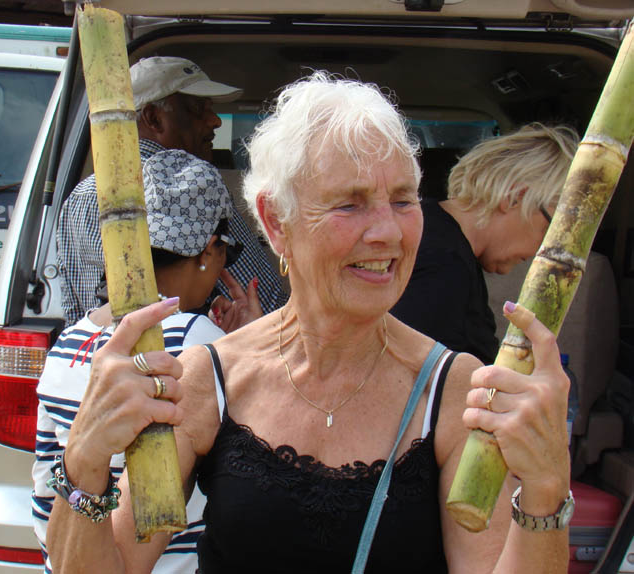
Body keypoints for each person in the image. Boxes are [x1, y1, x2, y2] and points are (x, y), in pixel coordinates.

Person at [45, 73, 573, 573]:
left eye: (403, 200)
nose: (388, 232)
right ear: (277, 221)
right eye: (351, 204)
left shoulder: (455, 390)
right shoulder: (208, 380)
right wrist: (85, 457)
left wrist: (547, 486)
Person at [32, 149, 261, 574]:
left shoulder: (69, 342)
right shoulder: (199, 342)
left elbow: (45, 494)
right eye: (226, 251)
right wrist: (250, 342)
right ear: (209, 250)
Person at [57, 56, 287, 326]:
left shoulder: (78, 197)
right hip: (188, 352)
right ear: (154, 118)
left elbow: (73, 312)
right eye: (198, 109)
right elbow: (262, 304)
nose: (215, 121)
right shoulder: (196, 189)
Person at [392, 123, 579, 364]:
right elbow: (415, 376)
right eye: (550, 229)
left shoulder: (431, 230)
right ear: (514, 197)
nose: (544, 249)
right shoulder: (443, 266)